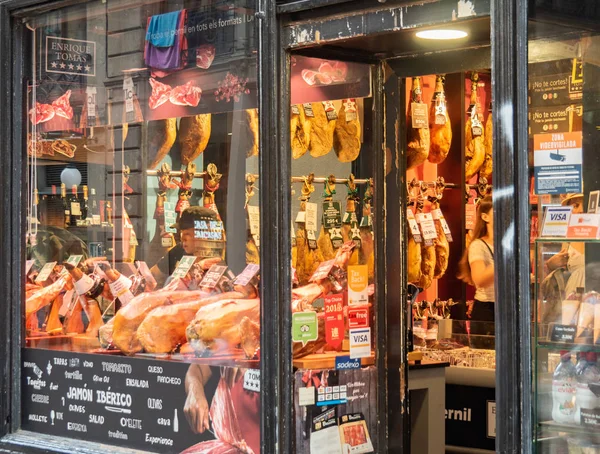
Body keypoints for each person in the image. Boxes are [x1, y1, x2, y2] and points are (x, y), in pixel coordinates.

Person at [150, 206, 225, 287]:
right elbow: (154, 274)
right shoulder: (180, 249)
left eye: (187, 234)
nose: (182, 239)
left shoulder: (215, 264)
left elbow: (204, 295)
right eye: (181, 233)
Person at [458, 195, 495, 335]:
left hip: (510, 308)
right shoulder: (478, 246)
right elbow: (479, 279)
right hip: (487, 310)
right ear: (485, 217)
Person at [545, 193, 585, 296]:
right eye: (575, 206)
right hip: (572, 298)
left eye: (585, 204)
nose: (580, 210)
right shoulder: (568, 240)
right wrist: (551, 265)